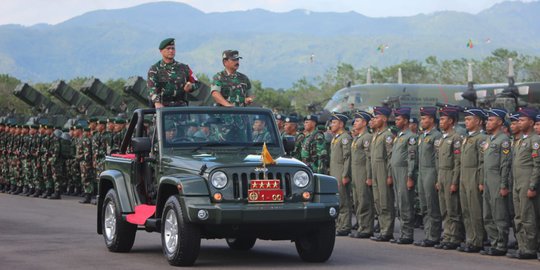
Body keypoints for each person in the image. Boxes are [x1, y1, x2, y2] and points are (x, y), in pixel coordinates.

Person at [507, 107, 540, 259]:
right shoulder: (520, 141)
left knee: (528, 217)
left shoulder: (535, 141)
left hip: (527, 183)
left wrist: (532, 186)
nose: (519, 122)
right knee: (518, 216)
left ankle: (530, 248)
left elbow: (537, 165)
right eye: (518, 120)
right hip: (517, 183)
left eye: (522, 120)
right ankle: (522, 247)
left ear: (531, 122)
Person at [480, 108, 512, 256]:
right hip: (487, 179)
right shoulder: (488, 139)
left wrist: (504, 185)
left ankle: (501, 244)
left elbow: (505, 164)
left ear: (500, 122)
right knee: (487, 214)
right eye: (487, 120)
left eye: (491, 120)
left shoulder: (503, 140)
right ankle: (494, 243)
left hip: (497, 179)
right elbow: (483, 163)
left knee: (499, 213)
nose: (488, 123)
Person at [434, 105, 463, 250]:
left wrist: (454, 181)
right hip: (442, 174)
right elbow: (439, 161)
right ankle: (447, 236)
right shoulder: (441, 139)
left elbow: (457, 161)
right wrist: (439, 180)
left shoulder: (456, 138)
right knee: (444, 208)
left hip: (451, 174)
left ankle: (454, 237)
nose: (440, 121)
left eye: (444, 119)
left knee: (453, 208)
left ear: (451, 121)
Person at [457, 108, 486, 253]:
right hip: (464, 175)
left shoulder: (481, 139)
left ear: (479, 121)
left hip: (474, 175)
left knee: (475, 210)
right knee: (466, 210)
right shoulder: (467, 138)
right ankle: (470, 239)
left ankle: (478, 240)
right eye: (466, 119)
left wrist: (481, 181)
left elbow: (482, 162)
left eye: (469, 119)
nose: (466, 122)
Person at [414, 107, 443, 247]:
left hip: (431, 172)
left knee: (432, 205)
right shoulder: (422, 136)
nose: (422, 121)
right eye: (422, 118)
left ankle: (434, 236)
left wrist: (438, 178)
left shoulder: (436, 136)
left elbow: (438, 159)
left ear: (432, 119)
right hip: (422, 172)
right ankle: (427, 234)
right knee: (424, 205)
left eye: (424, 118)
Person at [389, 107, 418, 244]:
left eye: (398, 119)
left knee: (405, 203)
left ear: (405, 121)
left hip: (404, 172)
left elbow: (412, 158)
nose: (396, 121)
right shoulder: (399, 136)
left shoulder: (411, 137)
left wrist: (410, 176)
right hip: (396, 172)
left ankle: (407, 234)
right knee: (399, 203)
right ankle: (403, 233)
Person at [147, 38, 201, 108]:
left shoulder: (184, 68)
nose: (171, 51)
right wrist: (157, 103)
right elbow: (151, 89)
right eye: (168, 48)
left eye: (173, 48)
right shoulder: (155, 69)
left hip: (181, 109)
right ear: (161, 51)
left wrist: (191, 87)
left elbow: (197, 83)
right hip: (162, 108)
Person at [349, 111, 375, 239]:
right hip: (356, 173)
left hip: (363, 173)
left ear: (364, 123)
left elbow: (369, 158)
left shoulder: (367, 138)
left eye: (358, 121)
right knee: (357, 201)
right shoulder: (357, 138)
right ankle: (361, 226)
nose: (355, 123)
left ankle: (366, 228)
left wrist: (369, 176)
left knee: (364, 200)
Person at [329, 113, 353, 236]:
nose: (331, 125)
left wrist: (345, 174)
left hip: (341, 172)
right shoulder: (336, 137)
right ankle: (339, 224)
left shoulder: (345, 138)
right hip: (334, 172)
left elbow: (347, 158)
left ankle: (345, 226)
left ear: (341, 124)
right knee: (338, 199)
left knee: (343, 199)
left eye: (334, 122)